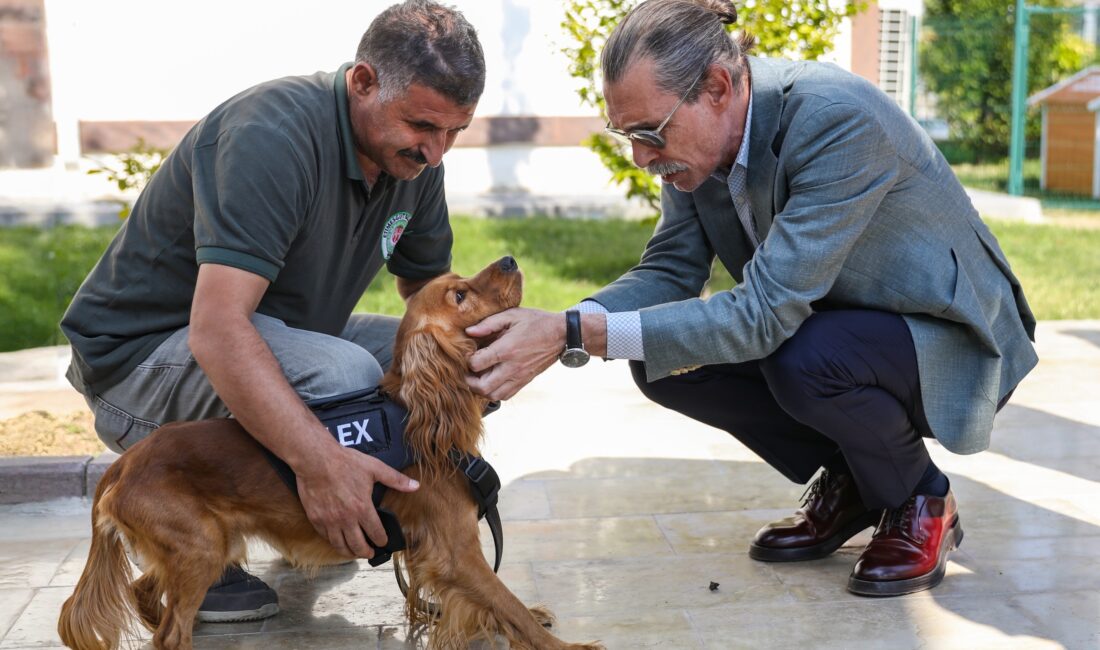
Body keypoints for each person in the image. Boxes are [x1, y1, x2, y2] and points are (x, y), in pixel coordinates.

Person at [466, 0, 1037, 597]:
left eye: (650, 133)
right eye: (627, 135)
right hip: (842, 324)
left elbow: (765, 314)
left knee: (806, 358)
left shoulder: (835, 119)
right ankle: (857, 477)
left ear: (716, 87)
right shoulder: (698, 150)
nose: (640, 156)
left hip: (949, 336)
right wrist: (568, 323)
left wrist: (574, 334)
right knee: (665, 361)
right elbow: (670, 268)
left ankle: (920, 497)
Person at [60, 0, 485, 622]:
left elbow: (428, 301)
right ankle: (233, 525)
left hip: (266, 336)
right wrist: (319, 466)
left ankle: (363, 514)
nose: (437, 152)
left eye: (454, 132)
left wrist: (486, 350)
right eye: (423, 125)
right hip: (141, 364)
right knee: (346, 376)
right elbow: (218, 329)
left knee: (442, 359)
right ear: (362, 81)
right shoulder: (271, 136)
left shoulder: (414, 156)